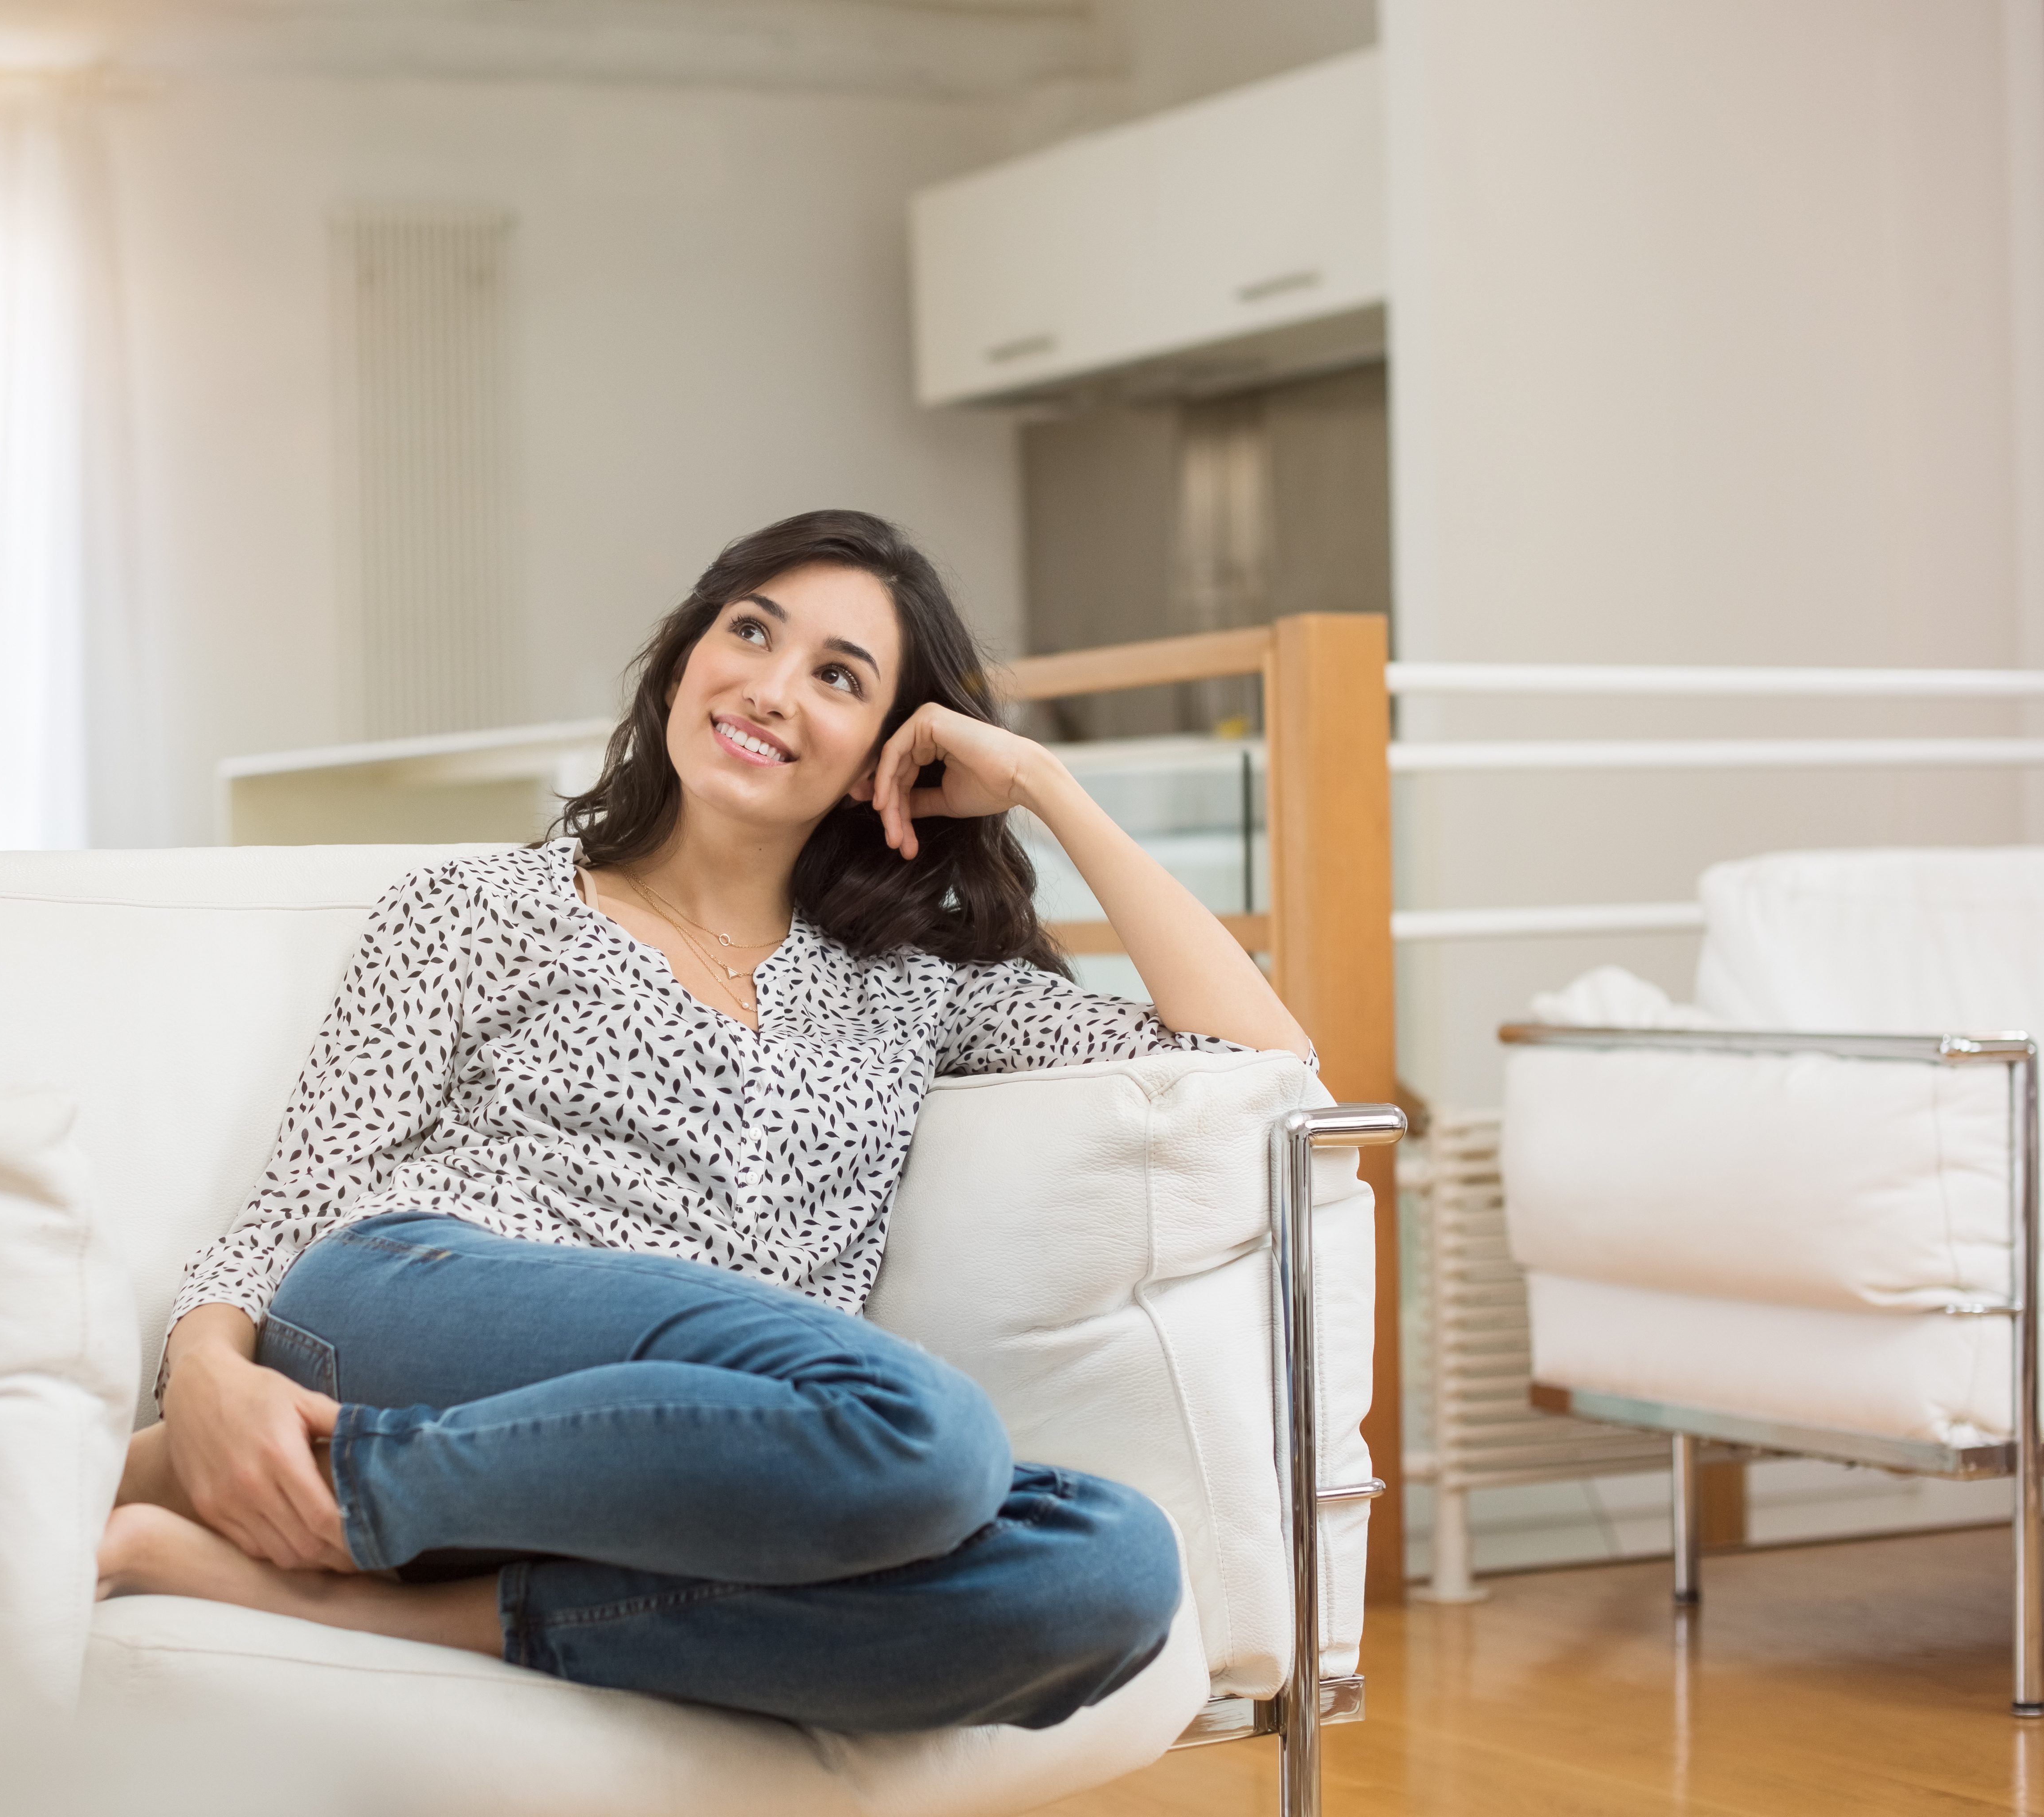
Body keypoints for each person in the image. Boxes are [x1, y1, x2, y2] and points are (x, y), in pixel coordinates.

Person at [99, 509, 1310, 1732]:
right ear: (686, 659)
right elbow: (303, 1196)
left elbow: (1259, 1064)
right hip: (420, 1299)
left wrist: (1046, 784)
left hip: (694, 1463)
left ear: (890, 753)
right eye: (751, 633)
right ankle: (333, 1490)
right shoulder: (482, 905)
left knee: (1111, 1569)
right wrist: (201, 1377)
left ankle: (371, 1581)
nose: (774, 689)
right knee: (924, 1434)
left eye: (839, 678)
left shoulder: (912, 989)